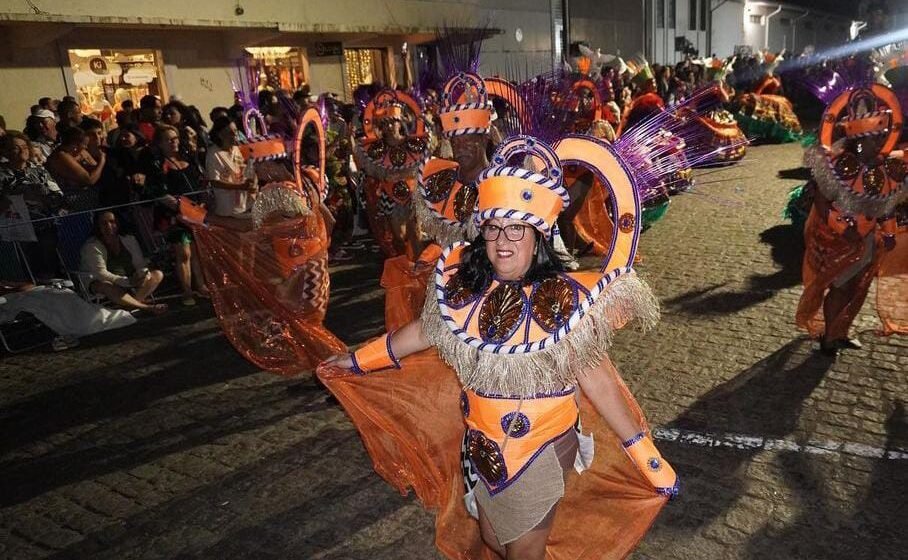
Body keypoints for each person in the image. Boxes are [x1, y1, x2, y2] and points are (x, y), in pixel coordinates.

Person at [319, 134, 677, 560]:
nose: (502, 241)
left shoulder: (566, 301)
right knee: (492, 539)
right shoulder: (464, 291)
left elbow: (598, 383)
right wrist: (357, 360)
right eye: (493, 228)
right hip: (481, 444)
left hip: (542, 445)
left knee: (523, 551)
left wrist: (645, 455)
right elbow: (421, 333)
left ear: (538, 235)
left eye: (516, 229)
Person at [141, 124, 207, 306]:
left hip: (195, 211)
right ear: (160, 144)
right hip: (174, 215)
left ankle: (201, 286)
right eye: (168, 140)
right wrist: (180, 207)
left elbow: (199, 182)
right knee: (183, 252)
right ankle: (187, 291)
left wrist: (200, 204)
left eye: (175, 138)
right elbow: (159, 192)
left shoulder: (187, 159)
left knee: (196, 252)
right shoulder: (158, 165)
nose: (174, 142)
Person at [0, 132, 65, 279]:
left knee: (50, 262)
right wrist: (17, 195)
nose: (22, 150)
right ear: (5, 151)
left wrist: (43, 197)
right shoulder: (2, 174)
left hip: (44, 224)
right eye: (16, 148)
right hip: (16, 228)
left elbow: (57, 194)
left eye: (24, 146)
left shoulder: (38, 170)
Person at [80, 210, 167, 314]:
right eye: (104, 223)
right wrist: (127, 281)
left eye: (112, 222)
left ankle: (128, 306)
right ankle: (146, 307)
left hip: (130, 278)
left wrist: (142, 275)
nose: (109, 226)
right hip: (104, 281)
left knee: (157, 274)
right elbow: (101, 273)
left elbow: (140, 263)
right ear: (97, 226)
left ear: (118, 223)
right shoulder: (92, 246)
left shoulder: (129, 239)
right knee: (104, 285)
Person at [204, 116, 257, 230]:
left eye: (235, 131)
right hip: (227, 207)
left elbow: (242, 169)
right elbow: (214, 182)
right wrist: (240, 186)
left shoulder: (235, 149)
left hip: (243, 204)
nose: (235, 135)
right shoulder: (213, 154)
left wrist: (251, 183)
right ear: (220, 135)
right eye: (230, 133)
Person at [45, 125, 104, 211]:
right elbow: (89, 179)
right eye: (84, 145)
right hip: (72, 203)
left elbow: (95, 169)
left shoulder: (79, 152)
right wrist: (102, 160)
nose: (86, 148)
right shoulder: (61, 156)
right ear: (75, 145)